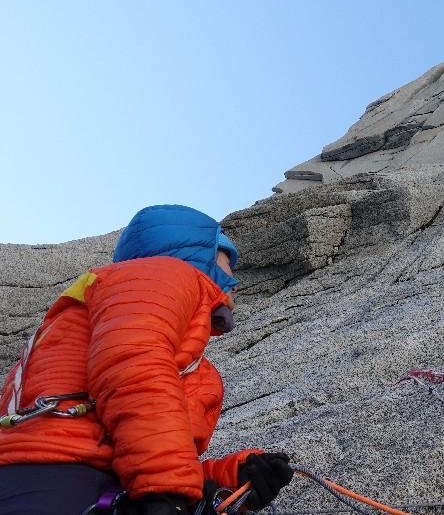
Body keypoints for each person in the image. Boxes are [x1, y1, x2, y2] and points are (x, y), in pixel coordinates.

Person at [0, 204, 293, 514]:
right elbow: (132, 364)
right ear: (201, 253)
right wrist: (167, 490)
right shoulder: (163, 274)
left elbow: (132, 444)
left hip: (55, 481)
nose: (234, 277)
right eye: (228, 257)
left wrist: (230, 479)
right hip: (64, 480)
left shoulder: (136, 307)